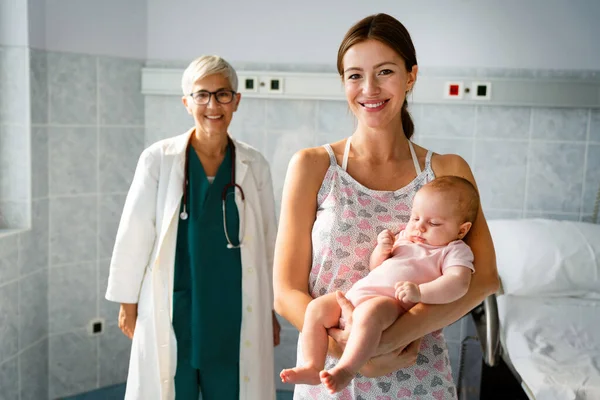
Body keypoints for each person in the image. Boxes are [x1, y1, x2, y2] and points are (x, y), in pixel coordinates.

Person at [273, 13, 498, 400]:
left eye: (385, 71)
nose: (369, 88)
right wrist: (352, 352)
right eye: (355, 75)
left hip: (418, 374)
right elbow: (286, 292)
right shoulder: (312, 166)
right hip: (330, 380)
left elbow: (484, 279)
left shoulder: (446, 171)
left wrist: (389, 341)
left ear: (411, 76)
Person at [105, 55, 281, 400]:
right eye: (202, 95)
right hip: (176, 308)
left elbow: (269, 241)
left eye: (222, 94)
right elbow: (134, 233)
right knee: (172, 387)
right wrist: (127, 302)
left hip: (235, 311)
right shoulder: (159, 159)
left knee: (232, 389)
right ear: (187, 103)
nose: (212, 105)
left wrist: (272, 309)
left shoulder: (253, 164)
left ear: (236, 101)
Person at [280, 176, 478, 393]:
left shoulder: (453, 250)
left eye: (433, 223)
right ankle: (312, 365)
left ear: (461, 230)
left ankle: (346, 369)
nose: (419, 227)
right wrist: (381, 251)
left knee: (369, 314)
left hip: (391, 304)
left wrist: (420, 292)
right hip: (355, 295)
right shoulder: (405, 237)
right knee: (316, 308)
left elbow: (458, 284)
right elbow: (376, 268)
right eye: (415, 218)